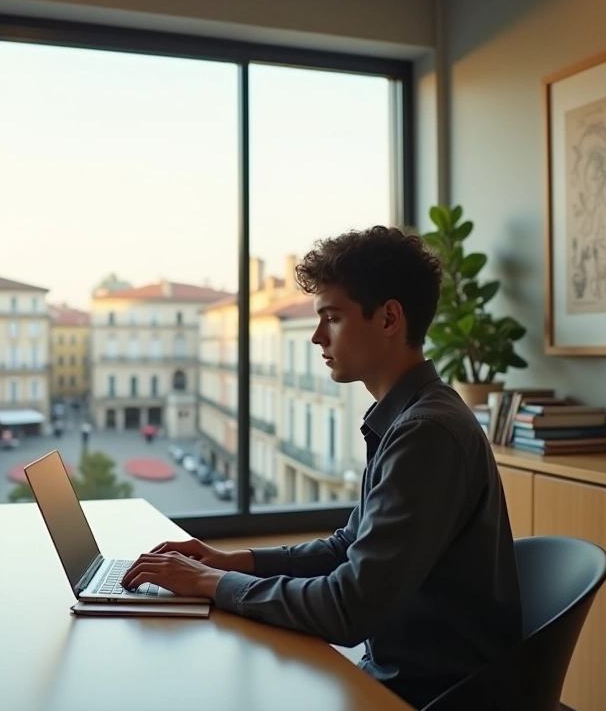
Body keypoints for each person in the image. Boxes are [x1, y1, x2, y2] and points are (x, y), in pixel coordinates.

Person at [121, 226, 522, 708]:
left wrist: (209, 583)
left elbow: (347, 609)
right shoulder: (412, 417)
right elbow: (347, 547)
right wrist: (230, 562)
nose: (316, 336)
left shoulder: (426, 432)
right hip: (399, 677)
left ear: (390, 317)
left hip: (426, 695)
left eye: (332, 318)